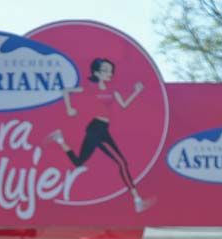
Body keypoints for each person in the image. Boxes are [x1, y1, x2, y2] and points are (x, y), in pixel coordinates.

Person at [47, 58, 151, 213]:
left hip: (103, 129)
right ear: (96, 72)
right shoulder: (90, 87)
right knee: (121, 162)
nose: (110, 73)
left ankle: (60, 139)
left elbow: (124, 104)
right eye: (105, 70)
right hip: (95, 129)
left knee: (79, 162)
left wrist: (136, 92)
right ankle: (137, 201)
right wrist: (69, 109)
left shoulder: (112, 90)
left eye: (111, 70)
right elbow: (66, 91)